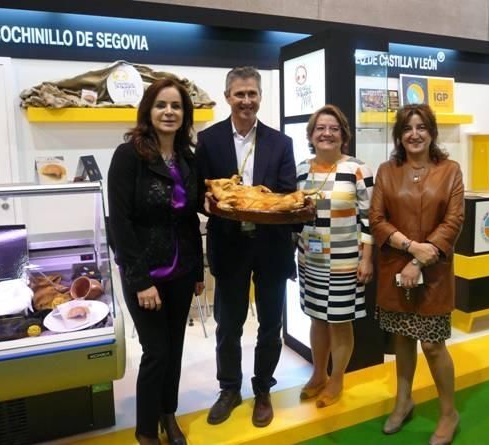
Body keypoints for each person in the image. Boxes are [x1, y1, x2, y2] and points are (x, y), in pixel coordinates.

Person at [196, 66, 296, 428]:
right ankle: (229, 389)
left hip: (271, 247)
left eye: (252, 93)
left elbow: (286, 195)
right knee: (228, 325)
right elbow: (199, 193)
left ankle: (263, 388)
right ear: (227, 97)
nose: (246, 100)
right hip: (228, 245)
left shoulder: (280, 142)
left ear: (260, 97)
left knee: (270, 324)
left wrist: (258, 204)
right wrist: (211, 204)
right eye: (240, 94)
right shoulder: (208, 141)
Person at [108, 78, 205, 445]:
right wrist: (141, 281)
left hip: (182, 270)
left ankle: (168, 414)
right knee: (156, 351)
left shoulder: (188, 159)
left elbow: (189, 218)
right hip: (145, 272)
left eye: (176, 106)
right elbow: (120, 223)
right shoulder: (128, 155)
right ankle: (146, 431)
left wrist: (197, 270)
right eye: (161, 105)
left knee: (174, 347)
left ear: (185, 114)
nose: (169, 112)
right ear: (148, 110)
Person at [369, 103, 464, 445]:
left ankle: (449, 413)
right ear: (399, 135)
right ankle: (403, 401)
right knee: (402, 338)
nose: (414, 134)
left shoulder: (450, 170)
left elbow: (453, 221)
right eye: (407, 128)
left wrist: (422, 259)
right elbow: (376, 219)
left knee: (433, 345)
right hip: (395, 269)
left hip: (434, 272)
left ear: (432, 132)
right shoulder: (386, 171)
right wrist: (410, 247)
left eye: (421, 127)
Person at [296, 104, 374, 407]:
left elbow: (370, 218)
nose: (326, 133)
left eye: (333, 128)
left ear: (343, 135)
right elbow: (295, 214)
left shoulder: (358, 169)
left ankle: (337, 379)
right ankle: (318, 374)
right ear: (311, 135)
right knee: (317, 318)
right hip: (310, 261)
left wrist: (366, 259)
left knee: (340, 321)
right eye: (320, 128)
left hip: (345, 262)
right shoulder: (301, 169)